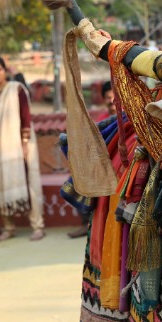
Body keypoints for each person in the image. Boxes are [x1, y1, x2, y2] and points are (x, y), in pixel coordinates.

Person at [0, 56, 45, 241]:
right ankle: (8, 226)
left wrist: (25, 143)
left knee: (28, 183)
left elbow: (25, 117)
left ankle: (37, 226)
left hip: (15, 146)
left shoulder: (15, 90)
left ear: (5, 71)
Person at [67, 81, 116, 239]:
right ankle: (86, 222)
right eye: (108, 97)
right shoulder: (101, 119)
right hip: (103, 162)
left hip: (120, 162)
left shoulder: (129, 116)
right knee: (80, 175)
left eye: (114, 96)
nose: (111, 100)